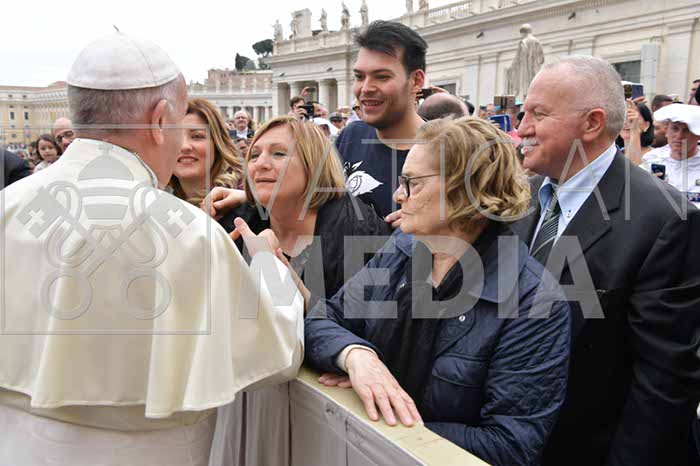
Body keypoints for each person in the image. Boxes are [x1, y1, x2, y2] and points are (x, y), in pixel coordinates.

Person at [0, 32, 305, 466]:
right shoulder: (189, 235)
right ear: (160, 120)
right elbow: (276, 354)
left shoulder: (7, 207)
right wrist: (268, 268)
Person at [305, 117, 571, 466]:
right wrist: (357, 357)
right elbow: (324, 318)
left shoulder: (534, 301)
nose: (398, 195)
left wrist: (382, 416)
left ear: (465, 191)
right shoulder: (401, 248)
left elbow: (509, 446)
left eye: (412, 183)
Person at [512, 56, 700, 466]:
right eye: (522, 113)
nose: (521, 128)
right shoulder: (521, 198)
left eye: (537, 114)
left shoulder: (666, 220)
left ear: (592, 123)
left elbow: (663, 384)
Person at [214, 116, 390, 466]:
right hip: (250, 410)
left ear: (314, 166)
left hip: (330, 426)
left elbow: (364, 330)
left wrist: (283, 280)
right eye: (254, 155)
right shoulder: (237, 225)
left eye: (279, 154)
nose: (261, 163)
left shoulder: (358, 231)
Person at [335, 20, 427, 224]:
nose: (365, 88)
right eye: (359, 77)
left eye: (382, 77)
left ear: (416, 81)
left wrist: (435, 224)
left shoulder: (449, 151)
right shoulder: (351, 135)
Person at [169, 98, 243, 205]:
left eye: (197, 136)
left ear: (217, 144)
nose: (184, 146)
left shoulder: (246, 202)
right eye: (175, 137)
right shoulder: (153, 201)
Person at [645, 104, 700, 206]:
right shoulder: (652, 160)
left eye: (687, 130)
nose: (679, 136)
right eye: (675, 129)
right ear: (666, 131)